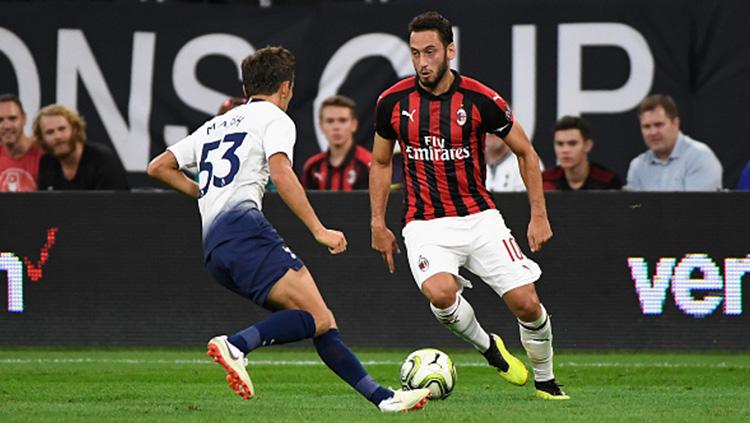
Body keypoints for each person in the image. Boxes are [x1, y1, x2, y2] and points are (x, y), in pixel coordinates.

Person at [147, 46, 430, 413]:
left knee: (320, 320)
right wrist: (318, 229)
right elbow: (281, 172)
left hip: (215, 249)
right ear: (286, 88)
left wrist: (203, 193)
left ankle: (383, 398)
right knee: (315, 318)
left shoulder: (216, 124)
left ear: (247, 86)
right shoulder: (275, 119)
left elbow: (158, 167)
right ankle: (236, 345)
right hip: (245, 232)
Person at [370, 11, 569, 400]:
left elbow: (526, 153)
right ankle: (489, 348)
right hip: (424, 222)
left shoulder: (481, 99)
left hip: (480, 218)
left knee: (527, 303)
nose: (423, 62)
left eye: (430, 52)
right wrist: (378, 223)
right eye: (415, 54)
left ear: (450, 51)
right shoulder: (392, 102)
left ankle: (545, 380)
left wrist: (539, 214)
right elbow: (380, 162)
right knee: (441, 293)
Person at [626, 95, 722, 191]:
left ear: (676, 123)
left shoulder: (700, 157)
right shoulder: (637, 166)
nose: (653, 132)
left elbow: (698, 205)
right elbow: (634, 205)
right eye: (646, 126)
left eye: (658, 124)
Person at [34, 104, 129, 190]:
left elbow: (113, 205)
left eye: (62, 129)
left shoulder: (102, 159)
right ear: (41, 138)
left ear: (75, 129)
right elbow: (45, 206)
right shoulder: (46, 162)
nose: (58, 136)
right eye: (50, 132)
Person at [302, 95, 371, 191]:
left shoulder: (368, 164)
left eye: (342, 120)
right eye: (330, 121)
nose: (336, 127)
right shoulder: (312, 167)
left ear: (354, 124)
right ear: (321, 126)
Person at [542, 116, 621, 191]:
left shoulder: (607, 181)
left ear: (587, 145)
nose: (565, 150)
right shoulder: (544, 180)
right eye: (560, 144)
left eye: (572, 143)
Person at [0, 94, 44, 192]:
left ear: (23, 119)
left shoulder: (43, 156)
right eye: (0, 120)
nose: (6, 126)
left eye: (12, 118)